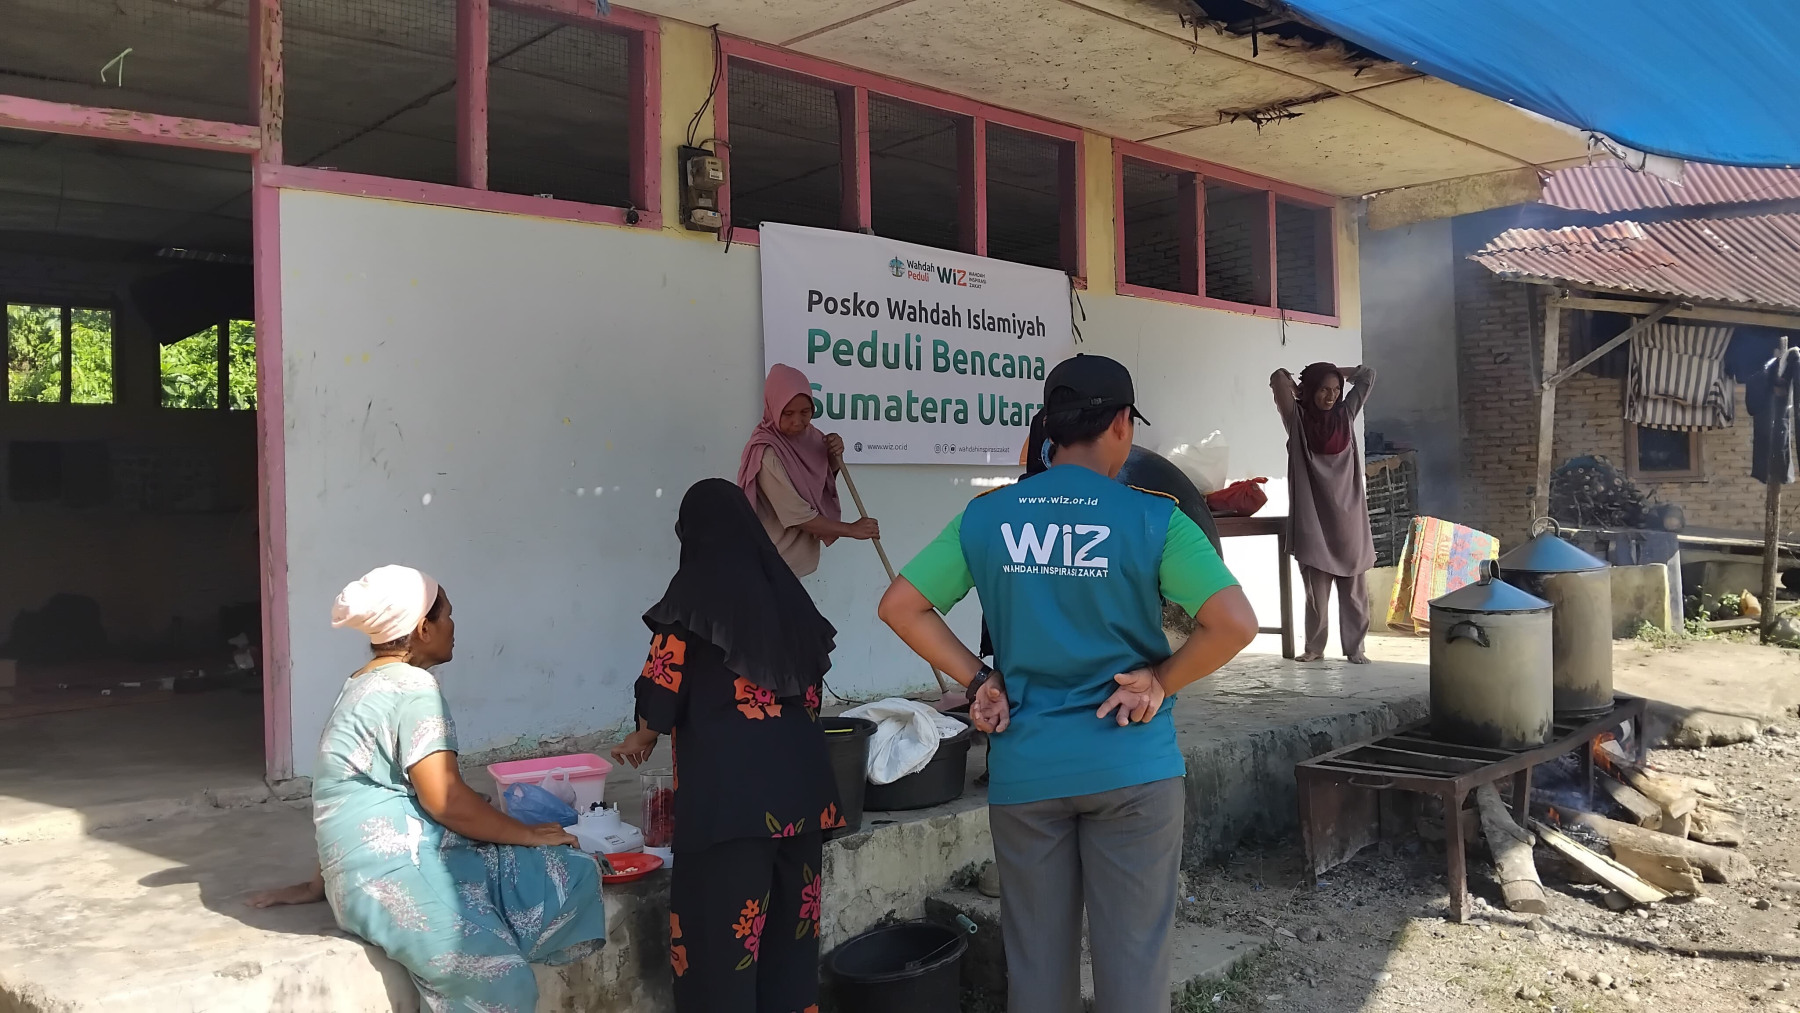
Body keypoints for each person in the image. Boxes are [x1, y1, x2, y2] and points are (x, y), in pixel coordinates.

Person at [878, 354, 1259, 1013]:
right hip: (1132, 767)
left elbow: (900, 606)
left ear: (1050, 429)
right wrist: (1160, 681)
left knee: (1037, 972)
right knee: (1133, 971)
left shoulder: (988, 517)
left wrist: (979, 679)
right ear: (1121, 424)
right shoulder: (1154, 519)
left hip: (1028, 772)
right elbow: (1234, 623)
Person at [256, 565, 609, 1012]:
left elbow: (349, 797)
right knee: (500, 981)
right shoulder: (413, 688)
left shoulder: (363, 682)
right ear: (423, 629)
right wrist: (528, 833)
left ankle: (485, 936)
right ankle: (480, 950)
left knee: (571, 869)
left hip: (381, 865)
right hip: (392, 874)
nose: (453, 626)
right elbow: (445, 800)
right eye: (447, 616)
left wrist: (321, 879)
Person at [610, 479, 841, 1013]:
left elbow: (662, 683)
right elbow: (810, 689)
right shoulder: (787, 593)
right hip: (804, 798)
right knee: (791, 935)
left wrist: (643, 733)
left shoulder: (692, 592)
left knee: (721, 940)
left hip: (729, 804)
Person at [1271, 362, 1378, 663]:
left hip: (1349, 520)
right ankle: (1314, 649)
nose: (1331, 397)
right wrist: (1302, 385)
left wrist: (1335, 371)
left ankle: (1355, 649)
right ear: (1309, 391)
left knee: (1354, 592)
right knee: (1316, 595)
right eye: (1322, 390)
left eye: (1336, 390)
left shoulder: (1346, 414)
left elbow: (1368, 376)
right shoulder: (1297, 420)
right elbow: (1278, 378)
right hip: (1313, 520)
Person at [738, 363, 879, 577]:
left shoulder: (812, 437)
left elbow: (820, 484)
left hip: (792, 565)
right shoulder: (767, 453)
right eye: (787, 413)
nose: (797, 422)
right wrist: (851, 529)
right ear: (773, 408)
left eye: (805, 412)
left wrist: (832, 456)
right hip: (770, 563)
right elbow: (799, 515)